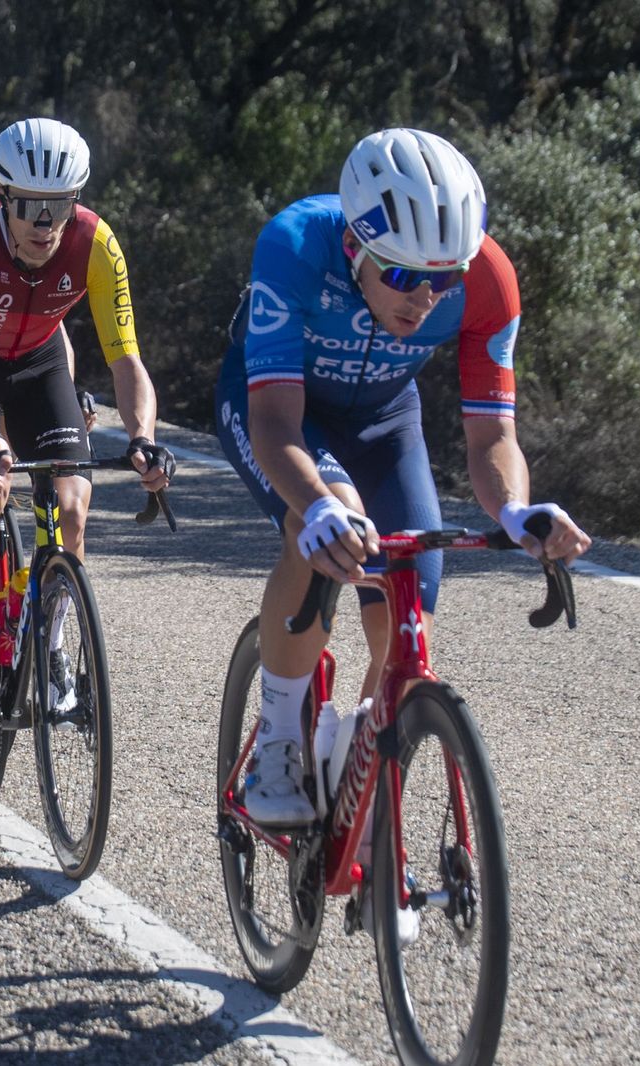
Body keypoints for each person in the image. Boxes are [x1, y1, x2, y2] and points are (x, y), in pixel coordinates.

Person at [213, 128, 592, 828]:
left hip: (387, 418)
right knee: (328, 526)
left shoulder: (489, 282)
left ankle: (359, 766)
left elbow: (493, 438)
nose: (425, 298)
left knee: (407, 600)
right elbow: (274, 426)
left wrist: (517, 513)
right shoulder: (295, 245)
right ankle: (276, 742)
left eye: (444, 277)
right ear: (354, 247)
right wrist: (319, 504)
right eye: (403, 276)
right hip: (278, 407)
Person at [0, 118, 174, 711]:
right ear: (4, 198)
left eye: (59, 205)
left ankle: (56, 644)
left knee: (71, 503)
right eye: (31, 206)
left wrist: (142, 436)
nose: (45, 224)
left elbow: (127, 361)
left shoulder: (95, 242)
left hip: (39, 364)